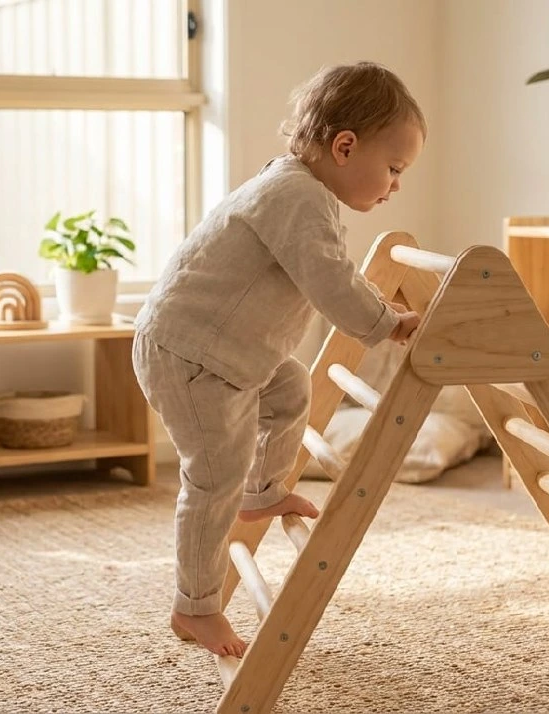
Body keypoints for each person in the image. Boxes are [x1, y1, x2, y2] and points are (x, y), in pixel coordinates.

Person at [132, 60, 426, 658]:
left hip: (231, 355)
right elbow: (329, 283)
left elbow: (335, 270)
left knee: (291, 391)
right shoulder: (295, 195)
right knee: (212, 476)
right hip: (189, 355)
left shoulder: (301, 189)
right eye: (393, 169)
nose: (395, 185)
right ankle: (196, 607)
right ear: (345, 146)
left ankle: (262, 489)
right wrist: (387, 323)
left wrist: (380, 310)